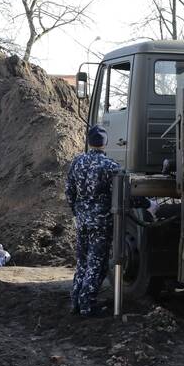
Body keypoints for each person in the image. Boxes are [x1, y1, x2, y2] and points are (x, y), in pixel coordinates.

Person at [65, 124, 121, 316]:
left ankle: (75, 302)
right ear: (105, 144)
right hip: (101, 223)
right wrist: (148, 205)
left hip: (82, 221)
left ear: (89, 142)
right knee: (96, 264)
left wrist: (77, 212)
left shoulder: (77, 162)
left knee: (82, 262)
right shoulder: (110, 166)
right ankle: (87, 305)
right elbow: (121, 194)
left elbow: (69, 192)